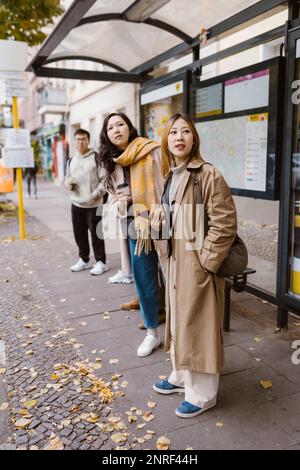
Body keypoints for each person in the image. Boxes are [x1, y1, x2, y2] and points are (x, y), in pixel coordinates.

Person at [152, 113, 237, 418]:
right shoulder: (172, 175)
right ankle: (181, 376)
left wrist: (206, 262)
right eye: (173, 132)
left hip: (198, 265)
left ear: (194, 138)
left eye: (185, 131)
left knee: (198, 325)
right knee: (178, 321)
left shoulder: (208, 174)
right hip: (177, 262)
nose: (179, 137)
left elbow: (224, 223)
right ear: (166, 140)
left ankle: (202, 395)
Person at [98, 113, 168, 357]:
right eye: (110, 127)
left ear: (129, 127)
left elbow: (169, 183)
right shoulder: (111, 161)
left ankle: (181, 331)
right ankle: (152, 333)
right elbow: (112, 194)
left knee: (173, 278)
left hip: (162, 221)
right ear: (106, 135)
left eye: (120, 124)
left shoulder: (152, 150)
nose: (116, 129)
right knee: (144, 278)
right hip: (134, 226)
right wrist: (118, 202)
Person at [65, 128, 108, 276]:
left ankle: (101, 262)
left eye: (83, 139)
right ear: (74, 141)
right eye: (77, 139)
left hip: (95, 204)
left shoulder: (97, 158)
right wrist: (67, 184)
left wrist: (94, 195)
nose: (80, 142)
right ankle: (83, 259)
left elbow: (105, 180)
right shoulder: (71, 160)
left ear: (88, 140)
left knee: (97, 234)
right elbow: (67, 178)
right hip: (76, 203)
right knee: (79, 234)